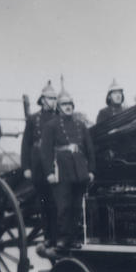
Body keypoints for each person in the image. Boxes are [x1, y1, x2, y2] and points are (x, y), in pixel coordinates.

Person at [41, 88, 95, 250]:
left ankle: (74, 239)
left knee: (77, 206)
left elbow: (89, 149)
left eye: (70, 103)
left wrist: (91, 170)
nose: (68, 106)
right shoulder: (51, 126)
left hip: (79, 170)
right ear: (58, 106)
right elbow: (46, 151)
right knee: (63, 206)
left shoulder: (80, 124)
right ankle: (62, 239)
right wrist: (49, 172)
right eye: (64, 104)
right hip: (62, 171)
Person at [20, 80, 58, 246]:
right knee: (44, 202)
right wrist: (26, 167)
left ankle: (57, 236)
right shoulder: (33, 119)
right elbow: (25, 144)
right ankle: (48, 236)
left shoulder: (59, 118)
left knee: (56, 201)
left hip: (55, 162)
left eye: (54, 98)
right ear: (42, 100)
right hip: (38, 165)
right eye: (50, 98)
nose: (53, 101)